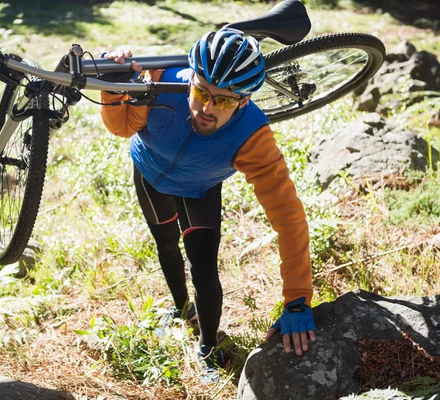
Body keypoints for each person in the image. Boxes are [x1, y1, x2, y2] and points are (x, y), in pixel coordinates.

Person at [99, 28, 316, 379]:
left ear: (244, 100)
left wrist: (297, 299)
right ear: (192, 79)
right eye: (201, 91)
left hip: (200, 189)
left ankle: (208, 347)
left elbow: (288, 217)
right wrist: (113, 87)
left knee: (203, 267)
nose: (207, 108)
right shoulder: (158, 82)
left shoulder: (253, 137)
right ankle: (180, 309)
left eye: (225, 100)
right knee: (166, 245)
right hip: (149, 172)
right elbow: (123, 127)